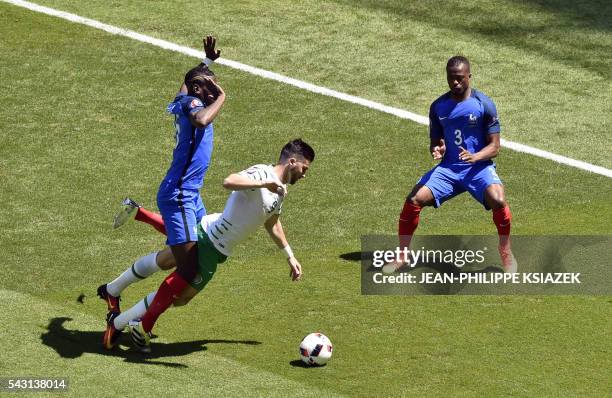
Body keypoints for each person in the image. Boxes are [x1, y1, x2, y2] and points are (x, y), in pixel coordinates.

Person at [102, 139, 315, 352]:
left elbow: (272, 222)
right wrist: (264, 184)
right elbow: (229, 181)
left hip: (216, 241)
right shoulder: (262, 174)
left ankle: (122, 297)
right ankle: (128, 324)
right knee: (180, 295)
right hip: (212, 242)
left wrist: (290, 255)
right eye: (304, 168)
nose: (305, 174)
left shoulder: (280, 189)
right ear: (292, 161)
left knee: (168, 262)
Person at [97, 36, 225, 339]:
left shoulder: (186, 96)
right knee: (189, 269)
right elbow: (202, 120)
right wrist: (222, 97)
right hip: (180, 195)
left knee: (177, 253)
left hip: (187, 194)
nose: (215, 88)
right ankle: (125, 324)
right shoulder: (196, 105)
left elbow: (187, 84)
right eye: (211, 85)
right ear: (198, 91)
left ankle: (112, 289)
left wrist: (206, 64)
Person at [391, 56, 516, 273]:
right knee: (414, 199)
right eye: (451, 79)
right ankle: (402, 255)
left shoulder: (484, 104)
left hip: (478, 169)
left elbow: (495, 147)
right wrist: (437, 149)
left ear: (469, 77)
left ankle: (506, 251)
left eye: (459, 79)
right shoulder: (438, 107)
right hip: (449, 169)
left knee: (499, 200)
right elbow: (436, 142)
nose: (455, 83)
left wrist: (475, 157)